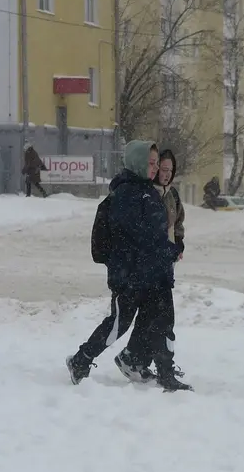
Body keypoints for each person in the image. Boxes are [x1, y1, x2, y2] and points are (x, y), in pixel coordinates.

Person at [65, 140, 191, 391]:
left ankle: (157, 369)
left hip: (151, 273)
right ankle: (81, 360)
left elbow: (154, 235)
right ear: (137, 162)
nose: (155, 169)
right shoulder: (128, 193)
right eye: (151, 163)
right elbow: (141, 237)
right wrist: (169, 250)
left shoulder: (145, 190)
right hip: (131, 274)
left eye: (157, 164)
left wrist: (169, 251)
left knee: (161, 319)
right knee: (118, 323)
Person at [112, 148, 186, 383]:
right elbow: (146, 232)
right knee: (160, 316)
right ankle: (159, 368)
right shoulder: (146, 193)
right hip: (148, 265)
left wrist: (179, 245)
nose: (166, 174)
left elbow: (177, 223)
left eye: (170, 170)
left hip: (164, 262)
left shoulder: (171, 194)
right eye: (162, 169)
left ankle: (134, 357)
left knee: (151, 315)